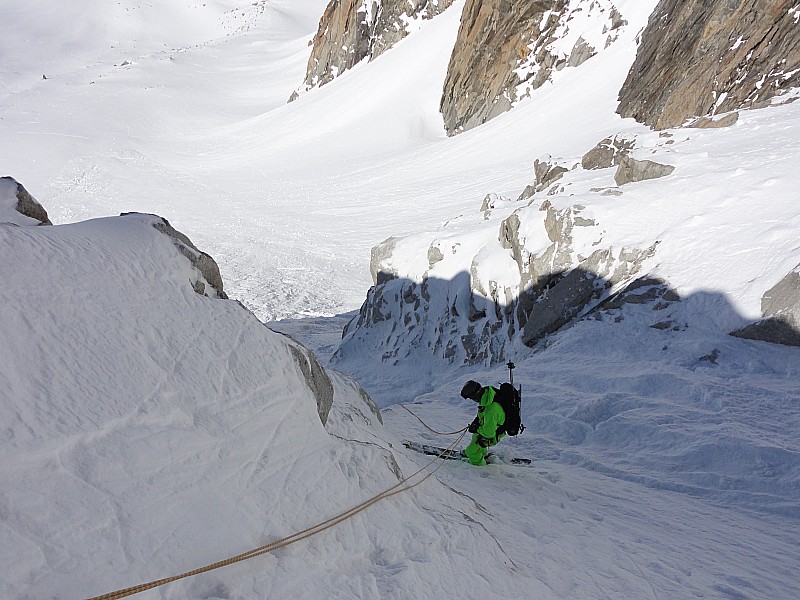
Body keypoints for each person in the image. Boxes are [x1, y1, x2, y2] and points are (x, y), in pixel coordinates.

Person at [460, 380, 506, 466]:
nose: (472, 400)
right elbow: (483, 415)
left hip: (495, 434)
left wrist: (476, 428)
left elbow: (489, 434)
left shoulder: (491, 409)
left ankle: (479, 465)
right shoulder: (487, 397)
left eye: (471, 398)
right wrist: (477, 421)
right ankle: (482, 453)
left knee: (471, 452)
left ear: (475, 395)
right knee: (475, 435)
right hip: (490, 428)